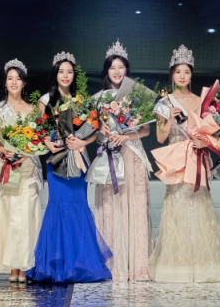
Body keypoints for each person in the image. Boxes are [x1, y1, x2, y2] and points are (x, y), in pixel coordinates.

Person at [27, 52, 112, 283]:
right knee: (58, 205)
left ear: (74, 75)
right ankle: (57, 265)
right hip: (57, 158)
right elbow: (38, 130)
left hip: (77, 155)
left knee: (78, 205)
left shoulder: (81, 101)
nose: (65, 75)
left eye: (70, 72)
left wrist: (82, 142)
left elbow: (95, 131)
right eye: (61, 71)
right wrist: (48, 143)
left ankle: (79, 264)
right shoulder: (45, 100)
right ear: (55, 74)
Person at [148, 45, 220, 283]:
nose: (182, 76)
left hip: (196, 157)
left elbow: (210, 132)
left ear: (191, 74)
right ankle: (178, 267)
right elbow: (160, 137)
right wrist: (169, 119)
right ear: (172, 74)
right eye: (178, 72)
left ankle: (202, 267)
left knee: (199, 206)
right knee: (177, 206)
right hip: (176, 160)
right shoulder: (164, 102)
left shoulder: (200, 101)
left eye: (186, 72)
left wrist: (204, 141)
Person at [90, 40, 153, 281]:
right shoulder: (97, 99)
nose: (117, 72)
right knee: (111, 207)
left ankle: (136, 266)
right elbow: (94, 134)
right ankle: (113, 266)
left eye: (121, 67)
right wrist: (102, 133)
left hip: (133, 155)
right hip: (110, 156)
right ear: (106, 71)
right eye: (112, 67)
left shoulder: (136, 95)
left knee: (134, 208)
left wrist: (126, 136)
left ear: (127, 69)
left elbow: (146, 130)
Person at [0, 59, 43, 282]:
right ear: (5, 83)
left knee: (25, 214)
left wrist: (28, 153)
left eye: (18, 78)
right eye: (10, 78)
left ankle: (25, 265)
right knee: (9, 214)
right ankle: (11, 267)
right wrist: (3, 150)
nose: (14, 82)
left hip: (28, 166)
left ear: (24, 82)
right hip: (7, 165)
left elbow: (39, 139)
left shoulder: (33, 110)